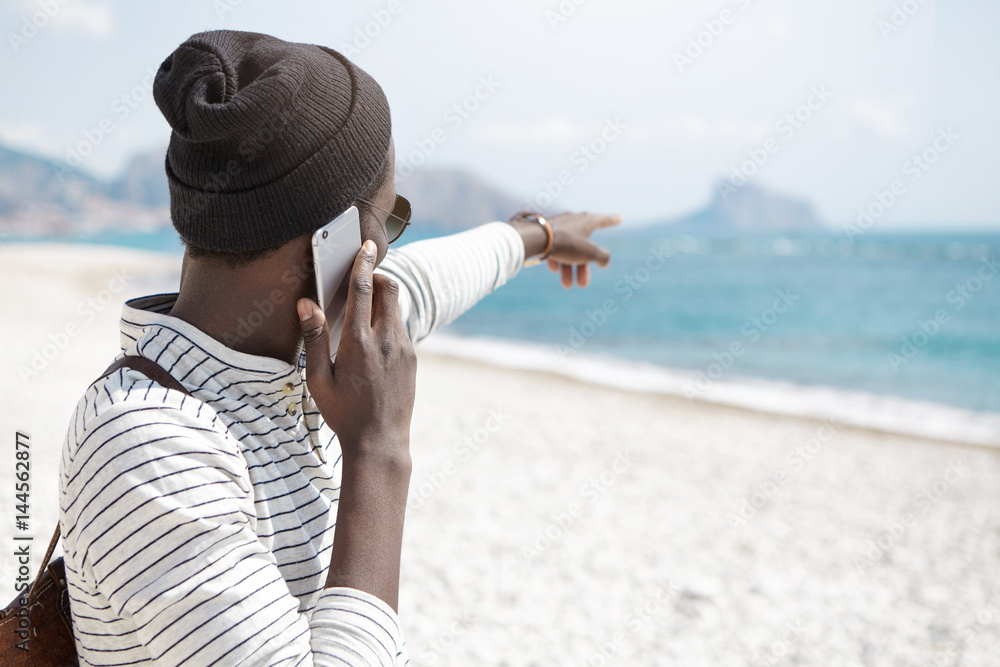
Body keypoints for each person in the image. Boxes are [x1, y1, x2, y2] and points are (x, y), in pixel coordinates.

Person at [59, 29, 619, 666]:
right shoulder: (147, 447)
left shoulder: (280, 354)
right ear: (328, 244)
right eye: (389, 220)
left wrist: (536, 235)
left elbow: (423, 282)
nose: (389, 250)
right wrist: (378, 449)